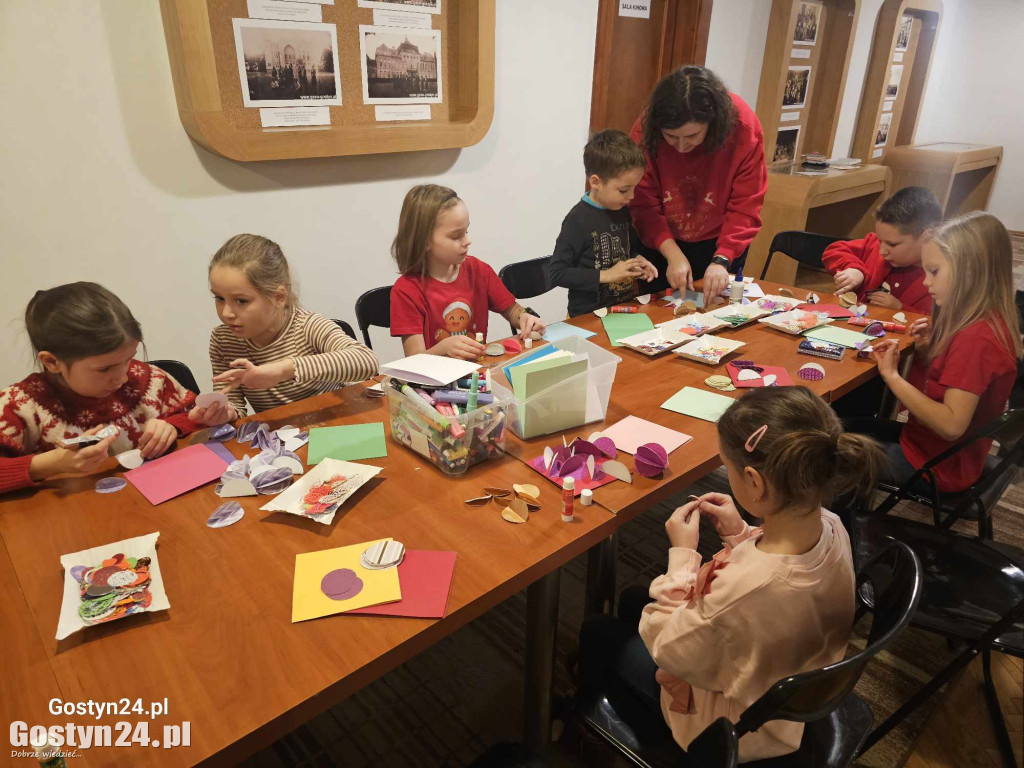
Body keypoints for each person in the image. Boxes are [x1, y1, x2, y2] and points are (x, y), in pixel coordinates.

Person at [578, 386, 882, 761]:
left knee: (597, 630)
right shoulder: (832, 526)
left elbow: (670, 649)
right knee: (632, 601)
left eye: (728, 466)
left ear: (755, 482)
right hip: (788, 681)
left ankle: (595, 739)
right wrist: (740, 533)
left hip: (734, 727)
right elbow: (767, 577)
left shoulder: (748, 588)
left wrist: (683, 555)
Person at [850, 212, 1021, 493]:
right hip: (933, 448)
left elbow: (952, 424)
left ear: (970, 271)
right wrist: (930, 351)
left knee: (829, 450)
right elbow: (956, 385)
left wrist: (893, 377)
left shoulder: (976, 339)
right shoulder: (985, 323)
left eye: (935, 272)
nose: (927, 282)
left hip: (934, 466)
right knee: (839, 427)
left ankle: (841, 531)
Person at [0, 283, 225, 494]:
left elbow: (196, 418)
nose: (122, 377)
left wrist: (173, 426)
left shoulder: (149, 380)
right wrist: (48, 465)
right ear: (51, 362)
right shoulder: (20, 405)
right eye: (105, 369)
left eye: (129, 359)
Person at [629, 66, 768, 306]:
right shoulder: (645, 130)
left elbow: (746, 205)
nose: (681, 147)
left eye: (692, 136)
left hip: (720, 240)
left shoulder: (743, 128)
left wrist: (722, 259)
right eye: (671, 137)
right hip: (659, 240)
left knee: (715, 315)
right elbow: (642, 204)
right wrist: (673, 255)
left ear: (713, 122)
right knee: (659, 314)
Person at [207, 234, 378, 415]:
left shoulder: (307, 326)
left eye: (241, 301)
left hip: (335, 421)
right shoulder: (223, 341)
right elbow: (234, 405)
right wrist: (224, 413)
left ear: (279, 297)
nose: (226, 313)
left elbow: (367, 361)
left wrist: (284, 370)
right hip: (282, 434)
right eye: (219, 298)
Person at [390, 184, 546, 360]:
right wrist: (443, 348)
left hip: (478, 373)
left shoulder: (479, 270)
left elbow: (512, 310)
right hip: (436, 383)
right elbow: (414, 359)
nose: (467, 241)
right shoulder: (406, 291)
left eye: (467, 231)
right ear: (424, 241)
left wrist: (524, 317)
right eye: (456, 236)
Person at [547, 130, 658, 316]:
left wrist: (638, 260)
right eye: (623, 190)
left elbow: (628, 250)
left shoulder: (621, 209)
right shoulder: (578, 220)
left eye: (634, 188)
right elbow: (557, 272)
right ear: (596, 182)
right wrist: (606, 275)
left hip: (623, 310)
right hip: (588, 316)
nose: (631, 197)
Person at [823, 186, 943, 312]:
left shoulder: (942, 278)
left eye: (892, 244)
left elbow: (935, 324)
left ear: (926, 237)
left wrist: (900, 309)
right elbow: (834, 250)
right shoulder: (874, 245)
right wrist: (855, 269)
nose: (882, 251)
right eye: (880, 240)